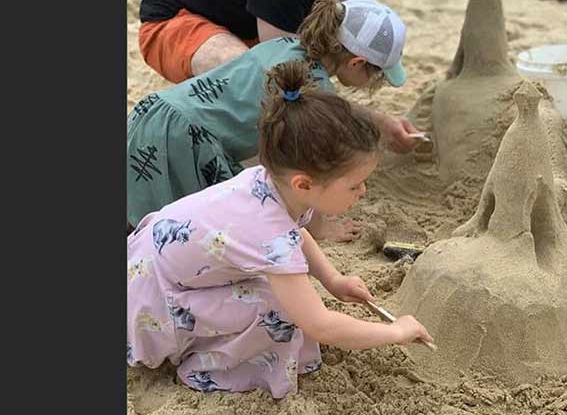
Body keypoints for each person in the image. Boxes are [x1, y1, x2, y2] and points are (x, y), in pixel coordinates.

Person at [127, 60, 434, 398]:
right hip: (154, 308)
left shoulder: (269, 184)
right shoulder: (269, 232)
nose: (363, 193)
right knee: (279, 310)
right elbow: (320, 324)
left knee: (281, 289)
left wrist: (332, 279)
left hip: (153, 270)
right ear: (304, 183)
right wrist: (396, 332)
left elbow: (297, 233)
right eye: (354, 186)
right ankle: (208, 370)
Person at [128, 0, 423, 241]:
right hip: (188, 140)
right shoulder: (315, 89)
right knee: (175, 232)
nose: (377, 82)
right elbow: (314, 164)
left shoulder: (283, 46)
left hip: (156, 112)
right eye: (378, 74)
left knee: (134, 213)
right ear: (357, 62)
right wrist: (321, 228)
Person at [138, 0, 400, 83]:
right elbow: (281, 72)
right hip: (172, 23)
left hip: (240, 27)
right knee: (259, 81)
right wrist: (371, 121)